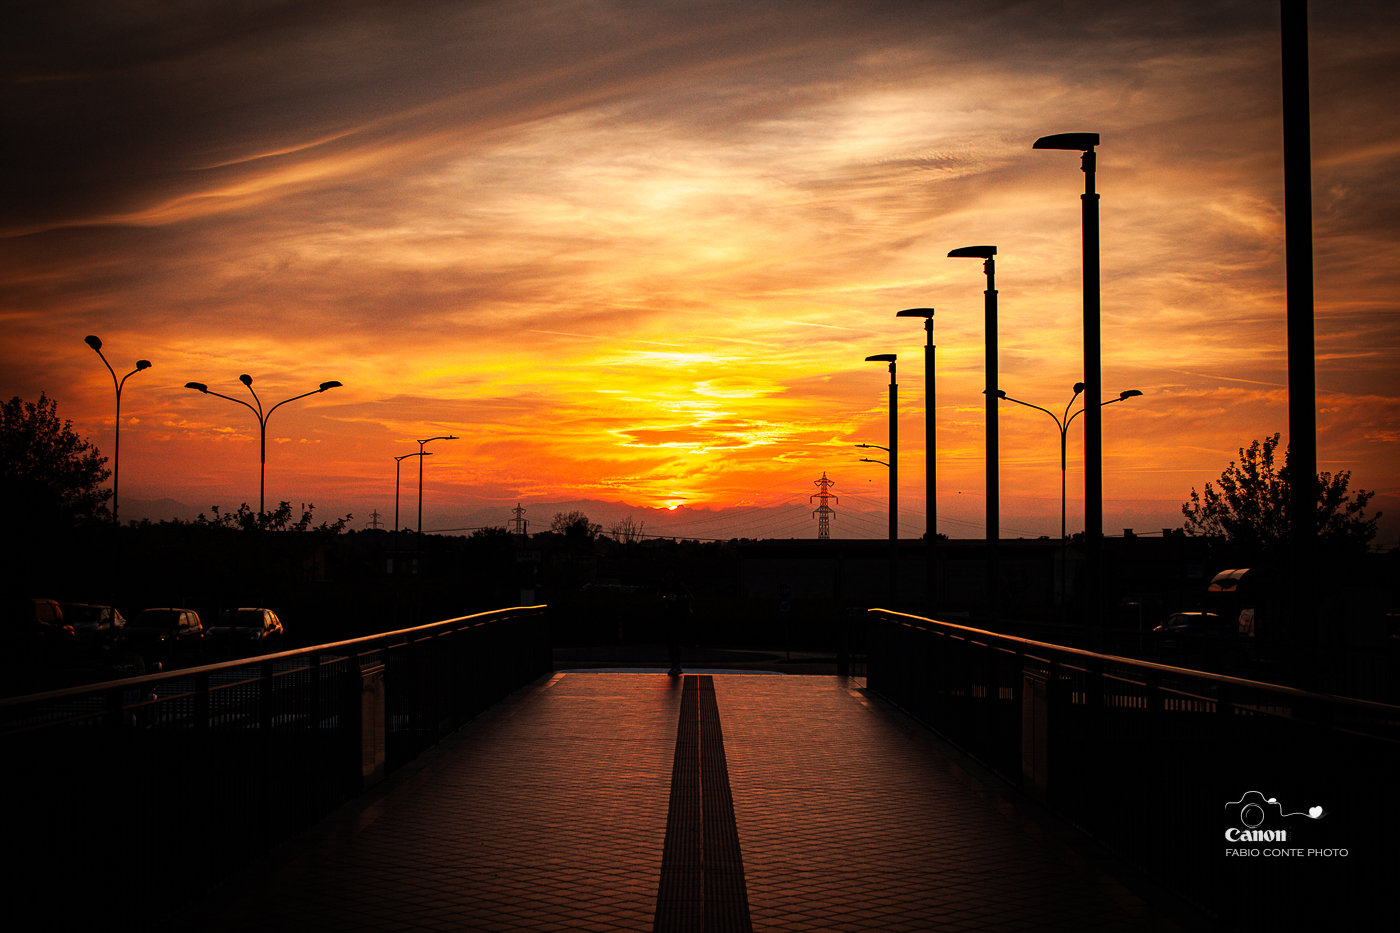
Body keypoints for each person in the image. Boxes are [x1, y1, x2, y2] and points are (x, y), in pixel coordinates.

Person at [658, 567, 692, 676]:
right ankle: (673, 664)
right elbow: (657, 600)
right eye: (667, 571)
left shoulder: (679, 585)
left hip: (678, 616)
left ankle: (677, 664)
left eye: (671, 572)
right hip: (668, 616)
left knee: (676, 642)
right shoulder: (662, 586)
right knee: (670, 643)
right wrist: (667, 598)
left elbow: (690, 596)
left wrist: (682, 598)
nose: (669, 574)